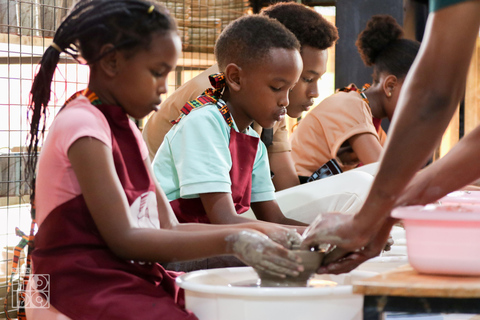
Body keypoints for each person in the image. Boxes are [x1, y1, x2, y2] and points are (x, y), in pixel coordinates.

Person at [23, 2, 304, 319]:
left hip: (123, 273)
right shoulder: (83, 126)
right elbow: (125, 240)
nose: (163, 88)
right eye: (157, 73)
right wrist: (237, 240)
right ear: (112, 62)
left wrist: (262, 235)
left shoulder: (126, 128)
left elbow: (170, 226)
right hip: (76, 281)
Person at [302, 0, 480, 274]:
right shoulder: (348, 103)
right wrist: (373, 221)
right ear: (390, 86)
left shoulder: (378, 128)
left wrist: (372, 221)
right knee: (367, 181)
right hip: (299, 195)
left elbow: (433, 97)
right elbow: (381, 171)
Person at [142, 2, 338, 191]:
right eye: (308, 78)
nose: (315, 92)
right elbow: (219, 210)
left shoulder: (270, 107)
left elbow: (285, 188)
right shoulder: (209, 102)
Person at [153, 15, 306, 233]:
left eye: (289, 90)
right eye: (276, 87)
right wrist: (312, 237)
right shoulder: (204, 123)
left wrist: (327, 234)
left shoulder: (254, 142)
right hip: (174, 244)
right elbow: (224, 220)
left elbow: (274, 218)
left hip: (212, 241)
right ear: (235, 78)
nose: (285, 101)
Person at [291, 15, 420, 179]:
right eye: (418, 93)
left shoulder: (376, 131)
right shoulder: (350, 104)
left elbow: (400, 173)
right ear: (390, 86)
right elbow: (388, 176)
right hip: (294, 193)